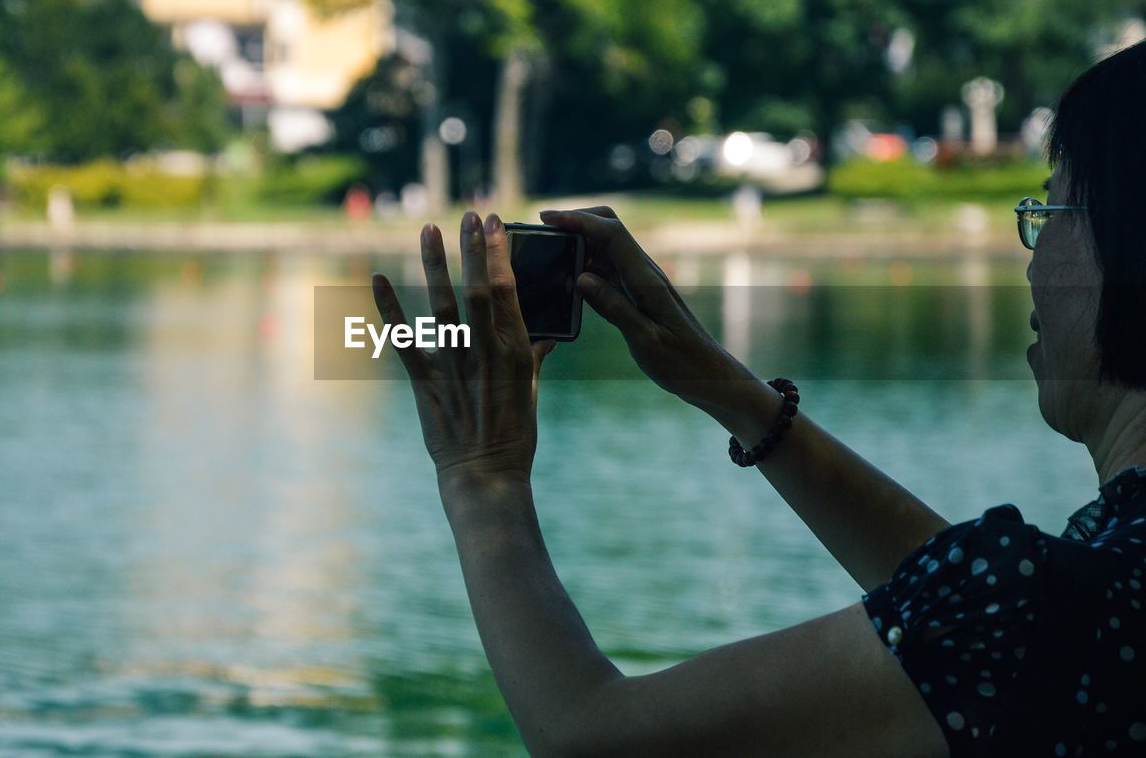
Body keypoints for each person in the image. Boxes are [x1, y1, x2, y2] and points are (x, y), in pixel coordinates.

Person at [370, 42, 1146, 757]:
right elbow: (974, 614)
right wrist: (731, 392)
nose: (1033, 259)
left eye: (1049, 211)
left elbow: (588, 734)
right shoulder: (1084, 597)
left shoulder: (1047, 609)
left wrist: (483, 478)